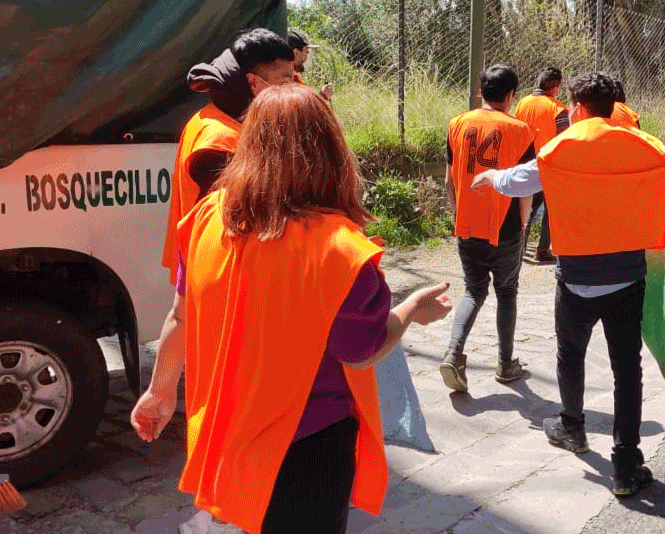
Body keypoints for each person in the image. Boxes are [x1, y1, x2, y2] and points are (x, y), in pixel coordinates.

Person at [131, 83, 452, 534]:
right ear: (333, 151)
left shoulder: (206, 218)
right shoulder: (341, 250)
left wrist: (160, 391)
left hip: (228, 434)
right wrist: (410, 311)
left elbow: (181, 315)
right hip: (307, 446)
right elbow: (360, 350)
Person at [471, 72, 665, 498]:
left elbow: (518, 181)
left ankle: (573, 427)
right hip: (627, 278)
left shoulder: (561, 147)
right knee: (626, 369)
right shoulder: (643, 146)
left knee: (570, 355)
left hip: (575, 280)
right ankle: (626, 462)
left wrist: (490, 179)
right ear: (614, 107)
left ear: (578, 108)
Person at [161, 28, 295, 285]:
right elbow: (236, 226)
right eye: (285, 80)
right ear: (254, 83)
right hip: (214, 273)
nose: (293, 89)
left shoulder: (227, 117)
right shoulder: (218, 141)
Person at [439, 65, 536, 393]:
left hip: (467, 225)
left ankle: (454, 353)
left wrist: (459, 216)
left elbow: (449, 181)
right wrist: (523, 225)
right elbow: (524, 187)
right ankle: (506, 364)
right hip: (505, 227)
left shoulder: (456, 124)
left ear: (481, 92)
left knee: (473, 289)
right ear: (510, 96)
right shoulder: (521, 130)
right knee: (506, 292)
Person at [513, 67, 568, 262]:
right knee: (551, 209)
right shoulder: (558, 109)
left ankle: (520, 247)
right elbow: (565, 140)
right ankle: (542, 249)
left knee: (525, 207)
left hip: (523, 161)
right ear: (554, 87)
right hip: (548, 165)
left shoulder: (522, 103)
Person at [287, 29, 333, 100]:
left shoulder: (278, 71)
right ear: (296, 52)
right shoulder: (290, 76)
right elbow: (306, 107)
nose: (307, 55)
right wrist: (323, 96)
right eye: (306, 51)